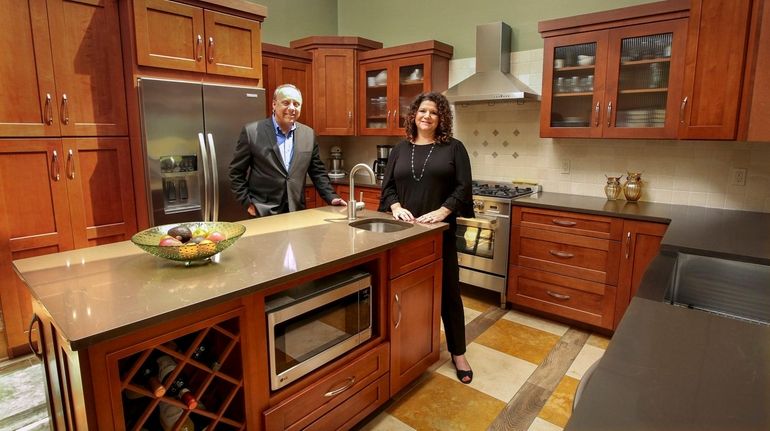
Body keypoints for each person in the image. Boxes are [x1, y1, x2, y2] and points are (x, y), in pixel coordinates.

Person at [378, 92, 475, 384]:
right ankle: (411, 351)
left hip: (439, 233)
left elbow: (464, 187)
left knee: (448, 293)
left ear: (441, 118)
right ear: (414, 115)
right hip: (404, 234)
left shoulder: (454, 149)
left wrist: (442, 211)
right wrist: (396, 207)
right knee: (410, 294)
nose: (427, 116)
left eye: (434, 112)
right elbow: (388, 187)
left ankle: (458, 353)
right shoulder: (399, 149)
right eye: (422, 111)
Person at [229, 84, 346, 217]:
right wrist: (247, 203)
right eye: (286, 102)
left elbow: (317, 172)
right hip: (262, 212)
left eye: (296, 104)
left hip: (296, 211)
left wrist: (332, 197)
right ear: (274, 104)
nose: (291, 108)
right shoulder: (252, 132)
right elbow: (236, 173)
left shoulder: (308, 134)